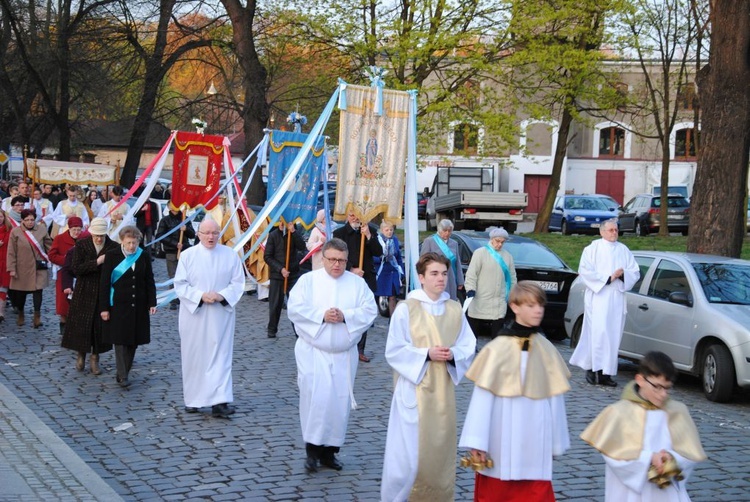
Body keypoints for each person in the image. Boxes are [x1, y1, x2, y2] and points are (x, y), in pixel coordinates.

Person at [459, 281, 571, 502]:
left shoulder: (547, 350)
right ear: (515, 306)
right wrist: (477, 442)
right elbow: (482, 400)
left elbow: (555, 400)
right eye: (530, 305)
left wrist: (556, 442)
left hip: (535, 441)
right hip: (501, 440)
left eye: (540, 305)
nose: (538, 310)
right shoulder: (497, 349)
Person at [381, 253, 476, 501]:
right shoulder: (407, 309)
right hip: (414, 390)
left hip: (442, 391)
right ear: (421, 278)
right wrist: (426, 354)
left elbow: (468, 346)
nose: (440, 279)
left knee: (439, 449)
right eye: (434, 274)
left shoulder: (454, 309)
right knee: (409, 454)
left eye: (444, 273)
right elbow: (394, 349)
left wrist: (452, 353)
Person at [287, 238, 378, 473]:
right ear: (323, 258)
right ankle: (312, 451)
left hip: (343, 355)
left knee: (338, 403)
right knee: (315, 400)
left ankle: (330, 452)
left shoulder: (357, 284)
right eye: (332, 260)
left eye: (342, 260)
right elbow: (295, 308)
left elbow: (370, 310)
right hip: (313, 353)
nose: (337, 265)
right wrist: (322, 315)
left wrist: (345, 315)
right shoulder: (308, 281)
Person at [581, 351, 707, 501]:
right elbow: (614, 456)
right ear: (640, 379)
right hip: (629, 494)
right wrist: (648, 458)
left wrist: (672, 458)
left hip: (667, 494)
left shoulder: (677, 412)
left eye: (667, 388)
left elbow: (690, 453)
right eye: (657, 387)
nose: (663, 394)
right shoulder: (619, 412)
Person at [174, 218, 245, 418]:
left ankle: (219, 401)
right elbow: (180, 284)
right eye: (206, 233)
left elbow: (238, 283)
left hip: (220, 314)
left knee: (221, 356)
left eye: (215, 233)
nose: (211, 237)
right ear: (198, 234)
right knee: (194, 356)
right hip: (194, 315)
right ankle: (194, 399)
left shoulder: (230, 255)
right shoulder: (188, 256)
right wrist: (199, 296)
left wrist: (221, 295)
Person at [569, 218, 640, 387]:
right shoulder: (593, 249)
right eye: (610, 230)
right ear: (602, 232)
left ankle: (607, 373)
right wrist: (608, 278)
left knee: (612, 335)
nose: (614, 233)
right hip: (599, 297)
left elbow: (635, 271)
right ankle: (592, 370)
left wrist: (623, 275)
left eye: (616, 230)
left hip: (616, 298)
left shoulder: (623, 249)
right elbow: (585, 271)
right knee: (598, 334)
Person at [99, 226, 157, 388]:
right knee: (120, 340)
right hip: (117, 304)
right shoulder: (112, 256)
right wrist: (104, 308)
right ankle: (123, 375)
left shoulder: (143, 256)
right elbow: (104, 283)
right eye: (129, 243)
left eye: (135, 243)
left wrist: (152, 302)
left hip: (138, 304)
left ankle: (123, 371)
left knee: (133, 341)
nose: (132, 246)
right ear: (122, 242)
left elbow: (149, 280)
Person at [62, 217, 118, 374]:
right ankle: (80, 354)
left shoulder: (113, 247)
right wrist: (97, 262)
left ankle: (95, 359)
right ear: (91, 233)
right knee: (82, 325)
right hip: (84, 290)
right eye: (96, 235)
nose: (99, 238)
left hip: (103, 290)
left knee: (99, 327)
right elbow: (76, 268)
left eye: (102, 235)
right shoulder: (81, 245)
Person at [333, 210, 381, 362]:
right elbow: (336, 256)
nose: (355, 218)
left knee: (362, 313)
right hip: (347, 276)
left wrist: (368, 236)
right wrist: (351, 269)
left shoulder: (370, 230)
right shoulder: (339, 233)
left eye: (358, 215)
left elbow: (378, 252)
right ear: (347, 216)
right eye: (352, 215)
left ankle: (360, 349)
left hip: (366, 277)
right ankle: (344, 343)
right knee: (347, 310)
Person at [464, 226, 517, 338]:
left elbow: (512, 277)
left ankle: (495, 354)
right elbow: (471, 274)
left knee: (497, 334)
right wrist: (470, 289)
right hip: (480, 298)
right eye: (497, 241)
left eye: (503, 242)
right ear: (491, 239)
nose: (500, 244)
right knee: (473, 334)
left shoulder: (508, 256)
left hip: (499, 302)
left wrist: (513, 294)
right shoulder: (480, 253)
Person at [7, 208, 53, 327]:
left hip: (39, 267)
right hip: (22, 267)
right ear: (22, 220)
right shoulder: (16, 232)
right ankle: (21, 313)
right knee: (20, 294)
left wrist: (54, 258)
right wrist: (11, 268)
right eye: (27, 220)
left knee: (38, 291)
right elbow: (11, 251)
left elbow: (49, 247)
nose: (30, 222)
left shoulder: (42, 230)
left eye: (32, 219)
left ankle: (37, 317)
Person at [264, 221, 305, 338]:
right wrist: (280, 269)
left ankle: (298, 331)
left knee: (295, 303)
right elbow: (267, 256)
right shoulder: (273, 235)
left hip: (292, 274)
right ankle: (272, 329)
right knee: (275, 304)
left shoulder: (294, 232)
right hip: (277, 275)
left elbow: (302, 246)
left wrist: (293, 232)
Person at [48, 216, 84, 335]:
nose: (76, 232)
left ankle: (76, 326)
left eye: (79, 230)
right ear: (69, 228)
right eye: (74, 229)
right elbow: (52, 255)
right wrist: (66, 260)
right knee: (64, 302)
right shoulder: (59, 238)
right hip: (64, 273)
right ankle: (63, 326)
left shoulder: (85, 239)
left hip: (80, 274)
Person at [156, 206, 195, 310]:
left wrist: (186, 229)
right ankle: (173, 299)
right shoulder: (165, 220)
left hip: (185, 251)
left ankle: (183, 297)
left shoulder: (185, 218)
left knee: (185, 276)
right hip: (172, 252)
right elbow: (160, 236)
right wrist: (174, 244)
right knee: (173, 276)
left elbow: (192, 235)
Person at [419, 219, 464, 301]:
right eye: (445, 230)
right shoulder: (429, 241)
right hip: (435, 278)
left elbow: (458, 263)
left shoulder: (454, 243)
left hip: (451, 278)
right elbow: (423, 262)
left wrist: (460, 281)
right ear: (439, 230)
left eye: (449, 231)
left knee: (450, 302)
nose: (447, 233)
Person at [373, 220, 404, 317]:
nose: (389, 232)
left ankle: (393, 320)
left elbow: (398, 255)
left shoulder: (394, 240)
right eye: (387, 230)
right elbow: (372, 256)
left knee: (393, 297)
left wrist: (401, 269)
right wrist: (382, 258)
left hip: (393, 272)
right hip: (381, 272)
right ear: (382, 230)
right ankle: (371, 315)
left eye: (391, 230)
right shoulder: (377, 240)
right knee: (376, 295)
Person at [0, 209, 12, 322]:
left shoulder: (9, 230)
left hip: (5, 262)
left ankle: (1, 312)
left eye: (1, 217)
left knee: (3, 288)